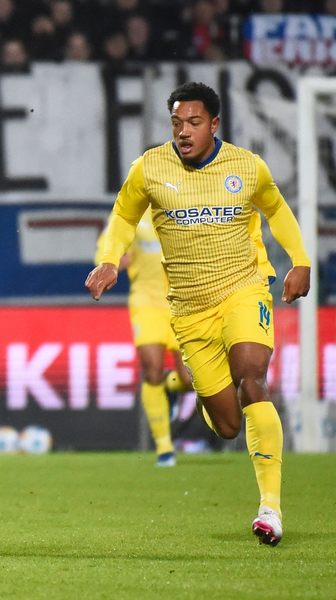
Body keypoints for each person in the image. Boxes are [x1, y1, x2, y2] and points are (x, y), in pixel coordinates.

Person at [85, 82, 310, 546]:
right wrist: (109, 259)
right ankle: (210, 400)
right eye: (176, 123)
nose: (183, 132)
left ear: (214, 124)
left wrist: (300, 260)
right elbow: (124, 216)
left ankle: (270, 508)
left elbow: (277, 209)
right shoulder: (150, 167)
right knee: (228, 424)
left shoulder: (246, 167)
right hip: (188, 311)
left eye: (193, 122)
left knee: (252, 380)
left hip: (245, 290)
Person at [95, 212, 193, 468]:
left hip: (183, 303)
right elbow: (106, 249)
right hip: (146, 303)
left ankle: (171, 389)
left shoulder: (182, 206)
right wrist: (115, 261)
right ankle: (164, 448)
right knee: (152, 372)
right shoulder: (131, 212)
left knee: (190, 379)